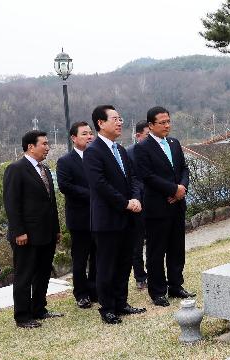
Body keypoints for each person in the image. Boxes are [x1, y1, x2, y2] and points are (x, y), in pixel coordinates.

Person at [83, 105, 146, 324]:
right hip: (108, 219)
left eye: (121, 119)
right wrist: (125, 203)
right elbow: (99, 185)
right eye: (115, 119)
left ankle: (121, 302)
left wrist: (136, 198)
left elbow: (134, 178)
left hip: (128, 217)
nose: (120, 123)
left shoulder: (120, 150)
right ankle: (107, 307)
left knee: (124, 263)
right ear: (100, 123)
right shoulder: (93, 151)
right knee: (107, 265)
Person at [3, 130, 63, 328]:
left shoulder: (44, 169)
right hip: (26, 235)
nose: (48, 147)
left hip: (46, 233)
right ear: (31, 146)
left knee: (43, 273)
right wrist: (19, 231)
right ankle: (22, 316)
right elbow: (12, 204)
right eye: (44, 144)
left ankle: (39, 308)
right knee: (25, 275)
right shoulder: (16, 169)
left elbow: (51, 202)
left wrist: (56, 229)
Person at [134, 106, 192, 307]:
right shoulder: (143, 147)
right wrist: (172, 189)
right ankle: (158, 291)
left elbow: (184, 168)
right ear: (150, 125)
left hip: (177, 205)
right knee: (156, 251)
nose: (167, 125)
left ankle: (176, 285)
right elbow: (147, 176)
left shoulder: (174, 143)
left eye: (168, 121)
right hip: (157, 207)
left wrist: (181, 188)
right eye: (162, 122)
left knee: (177, 249)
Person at [57, 122, 96, 309]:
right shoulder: (65, 161)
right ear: (73, 138)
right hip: (79, 218)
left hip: (100, 217)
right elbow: (65, 186)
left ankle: (95, 289)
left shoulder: (97, 157)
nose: (89, 137)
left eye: (90, 133)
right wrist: (94, 194)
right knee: (80, 258)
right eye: (84, 134)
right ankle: (81, 294)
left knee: (98, 256)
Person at [126, 121, 149, 290]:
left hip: (156, 203)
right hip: (138, 203)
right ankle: (140, 277)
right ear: (138, 136)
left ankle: (155, 273)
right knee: (137, 243)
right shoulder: (129, 153)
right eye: (147, 136)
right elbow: (131, 180)